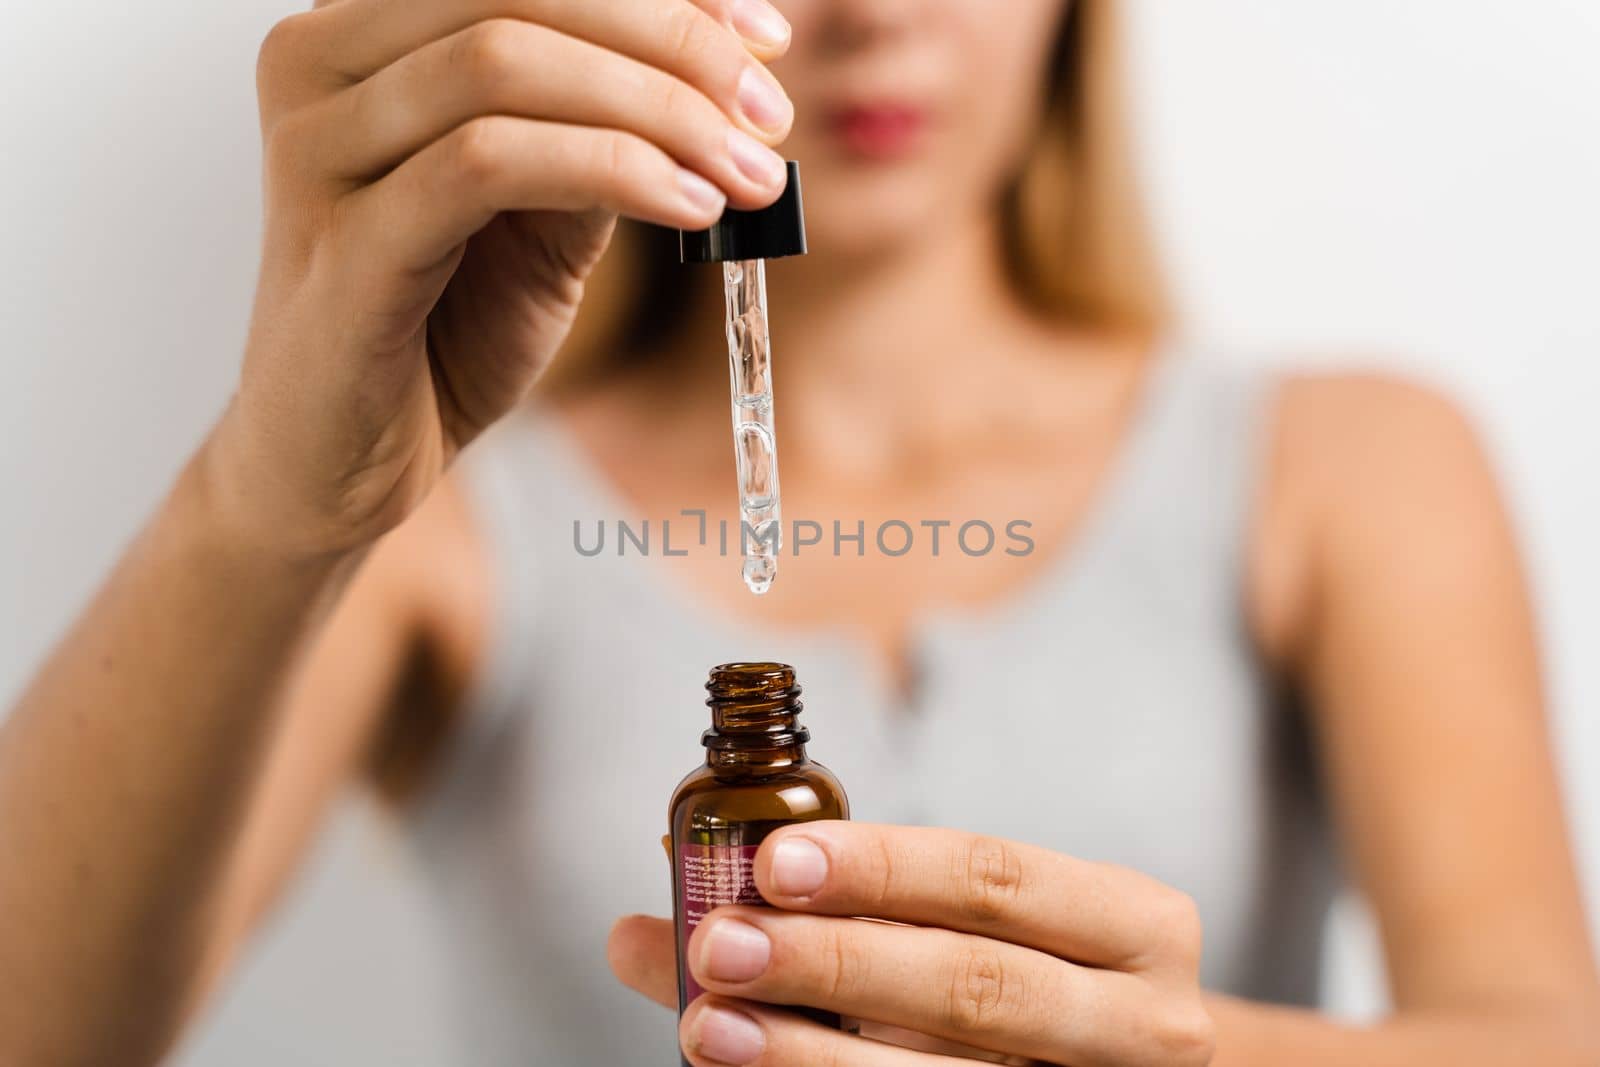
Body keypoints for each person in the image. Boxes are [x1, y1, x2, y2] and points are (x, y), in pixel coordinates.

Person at [2, 1, 1596, 1064]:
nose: (871, 17)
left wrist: (1185, 1057)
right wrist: (270, 507)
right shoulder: (443, 506)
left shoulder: (1346, 463)